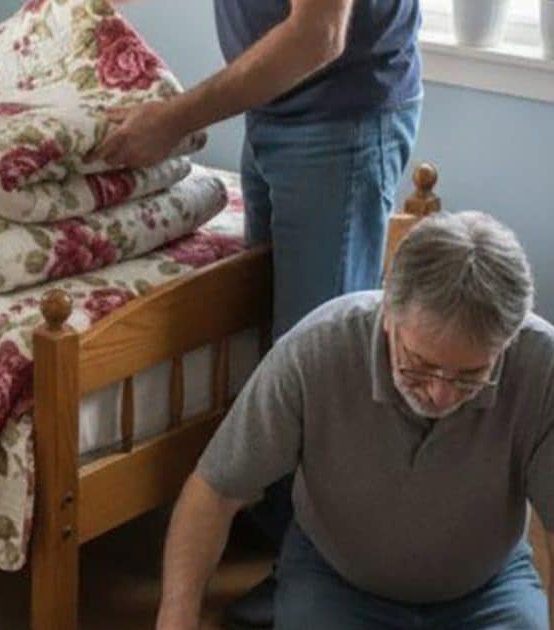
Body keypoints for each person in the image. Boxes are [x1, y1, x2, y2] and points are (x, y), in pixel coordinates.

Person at [91, 0, 424, 622]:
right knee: (279, 341)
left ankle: (317, 570)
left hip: (339, 118)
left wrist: (173, 119)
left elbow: (318, 36)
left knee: (320, 364)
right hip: (278, 109)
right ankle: (279, 517)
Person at [155, 211, 554, 630]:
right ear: (388, 312)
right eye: (420, 365)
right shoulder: (316, 351)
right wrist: (176, 619)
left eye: (470, 375)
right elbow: (215, 492)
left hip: (487, 587)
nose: (441, 394)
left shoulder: (551, 370)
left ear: (509, 340)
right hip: (335, 578)